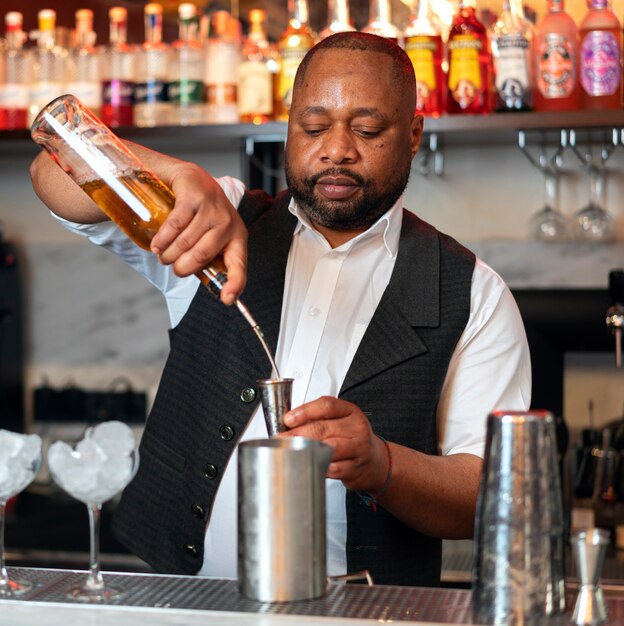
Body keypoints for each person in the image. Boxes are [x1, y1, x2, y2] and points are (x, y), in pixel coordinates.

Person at [30, 32, 531, 587]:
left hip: (365, 619)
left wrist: (382, 465)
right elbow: (54, 168)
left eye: (366, 129)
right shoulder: (217, 223)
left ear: (413, 134)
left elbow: (491, 494)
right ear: (289, 125)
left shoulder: (473, 293)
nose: (336, 149)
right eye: (314, 127)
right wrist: (176, 175)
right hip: (179, 605)